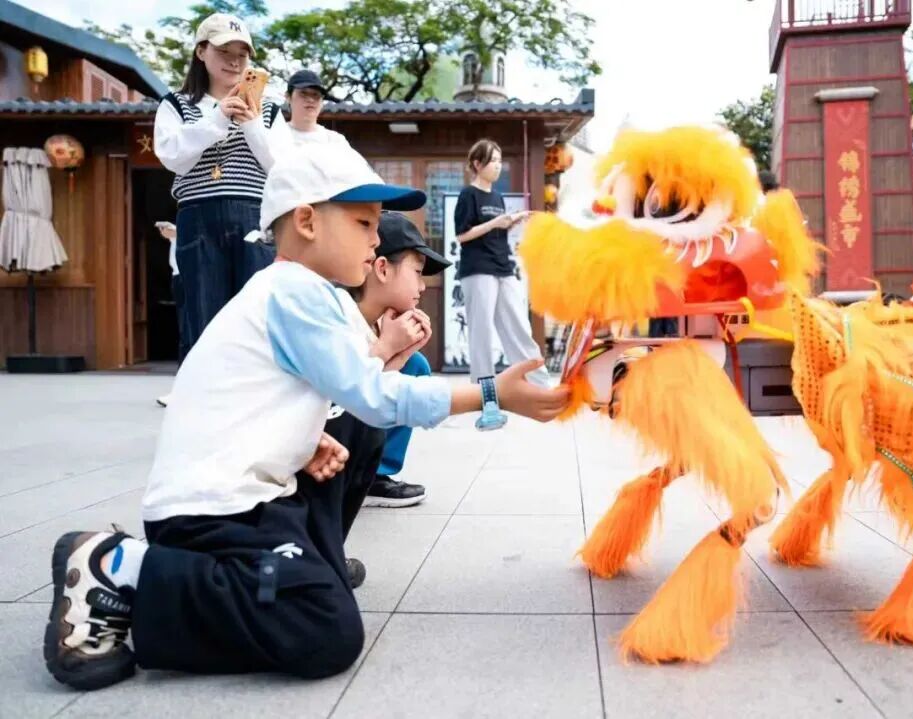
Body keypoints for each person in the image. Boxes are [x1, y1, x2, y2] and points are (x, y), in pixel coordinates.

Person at [43, 143, 569, 691]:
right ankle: (120, 567)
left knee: (332, 545)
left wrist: (304, 436)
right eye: (364, 223)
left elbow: (268, 394)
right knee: (324, 630)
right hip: (211, 513)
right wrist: (492, 394)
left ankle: (274, 572)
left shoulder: (306, 293)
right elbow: (374, 395)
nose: (376, 238)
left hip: (250, 498)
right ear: (307, 222)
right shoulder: (295, 292)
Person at [153, 12, 291, 351]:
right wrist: (216, 120)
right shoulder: (176, 104)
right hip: (198, 217)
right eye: (224, 51)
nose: (234, 61)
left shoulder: (269, 110)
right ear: (201, 52)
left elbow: (282, 166)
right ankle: (202, 385)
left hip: (254, 216)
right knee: (203, 318)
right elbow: (172, 156)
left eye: (242, 54)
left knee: (257, 319)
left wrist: (252, 124)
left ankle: (257, 387)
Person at [352, 211, 450, 507]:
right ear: (382, 268)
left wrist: (402, 351)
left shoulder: (378, 321)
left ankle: (373, 475)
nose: (422, 286)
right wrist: (387, 346)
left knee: (414, 365)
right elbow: (342, 393)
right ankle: (352, 476)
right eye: (417, 272)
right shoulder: (336, 317)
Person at [454, 139, 549, 385]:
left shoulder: (497, 197)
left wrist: (512, 222)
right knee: (481, 332)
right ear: (477, 164)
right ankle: (483, 388)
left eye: (499, 160)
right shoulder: (468, 195)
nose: (498, 166)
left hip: (503, 266)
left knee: (518, 324)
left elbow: (496, 232)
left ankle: (539, 382)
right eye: (492, 160)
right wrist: (495, 223)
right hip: (478, 269)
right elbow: (462, 235)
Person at [154, 221, 188, 408]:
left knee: (191, 333)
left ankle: (184, 390)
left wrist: (178, 233)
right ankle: (182, 389)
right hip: (179, 275)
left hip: (190, 274)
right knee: (185, 334)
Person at [285, 69, 352, 149]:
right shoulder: (275, 135)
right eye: (303, 93)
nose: (310, 100)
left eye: (315, 94)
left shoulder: (336, 141)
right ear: (288, 97)